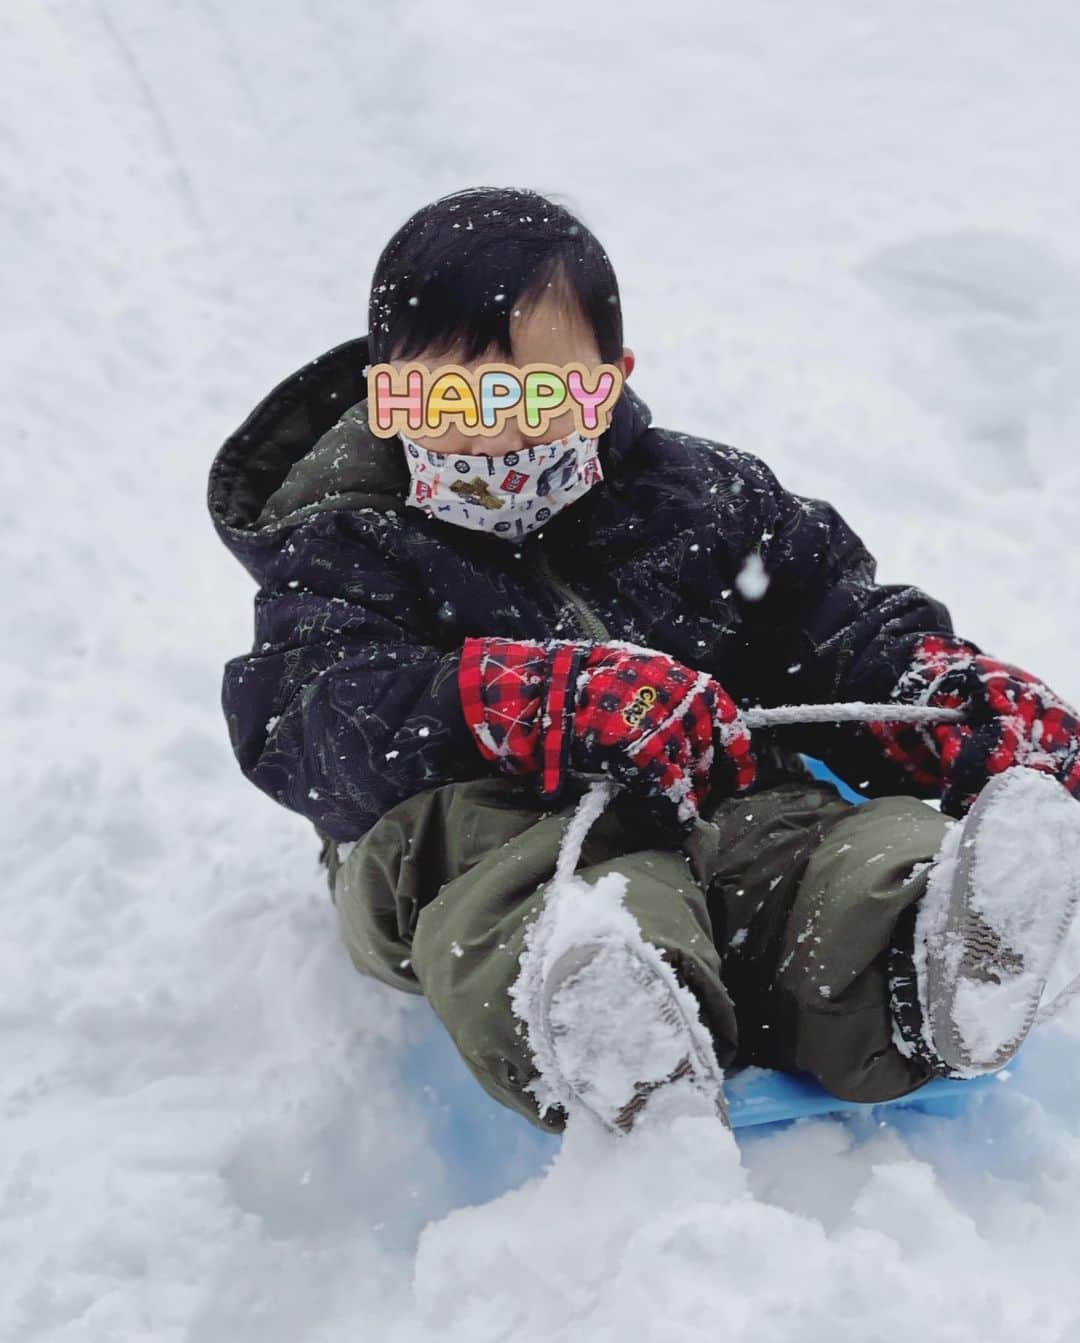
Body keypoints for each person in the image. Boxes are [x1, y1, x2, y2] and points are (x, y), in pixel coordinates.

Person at [207, 185, 1080, 1137]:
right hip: (486, 835)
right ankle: (605, 1021)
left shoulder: (702, 500)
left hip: (725, 805)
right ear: (385, 393)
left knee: (820, 852)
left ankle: (934, 952)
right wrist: (531, 700)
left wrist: (939, 699)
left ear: (609, 380)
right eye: (442, 398)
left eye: (539, 395)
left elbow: (832, 625)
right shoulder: (347, 544)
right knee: (539, 882)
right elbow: (308, 718)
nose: (490, 431)